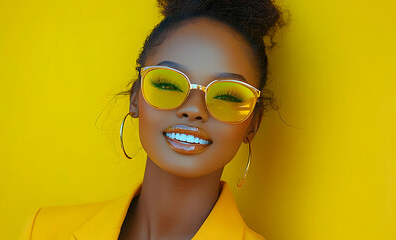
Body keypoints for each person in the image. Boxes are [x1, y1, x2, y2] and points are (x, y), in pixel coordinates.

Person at [21, 0, 287, 239]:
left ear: (254, 123)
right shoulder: (44, 229)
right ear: (135, 97)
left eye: (228, 96)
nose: (193, 109)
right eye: (168, 84)